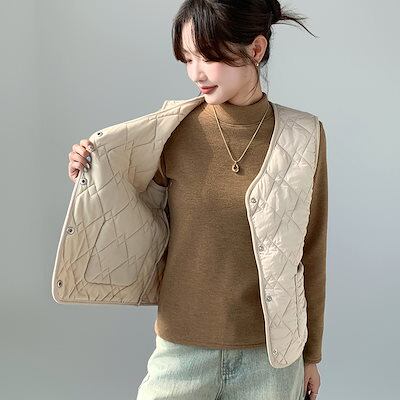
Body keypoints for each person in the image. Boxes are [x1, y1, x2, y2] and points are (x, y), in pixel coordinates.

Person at [67, 1, 327, 399]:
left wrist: (311, 357)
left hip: (271, 359)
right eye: (188, 59)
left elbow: (312, 250)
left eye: (208, 57)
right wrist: (91, 172)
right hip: (180, 347)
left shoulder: (304, 136)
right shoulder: (172, 130)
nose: (196, 73)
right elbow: (133, 212)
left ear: (256, 49)